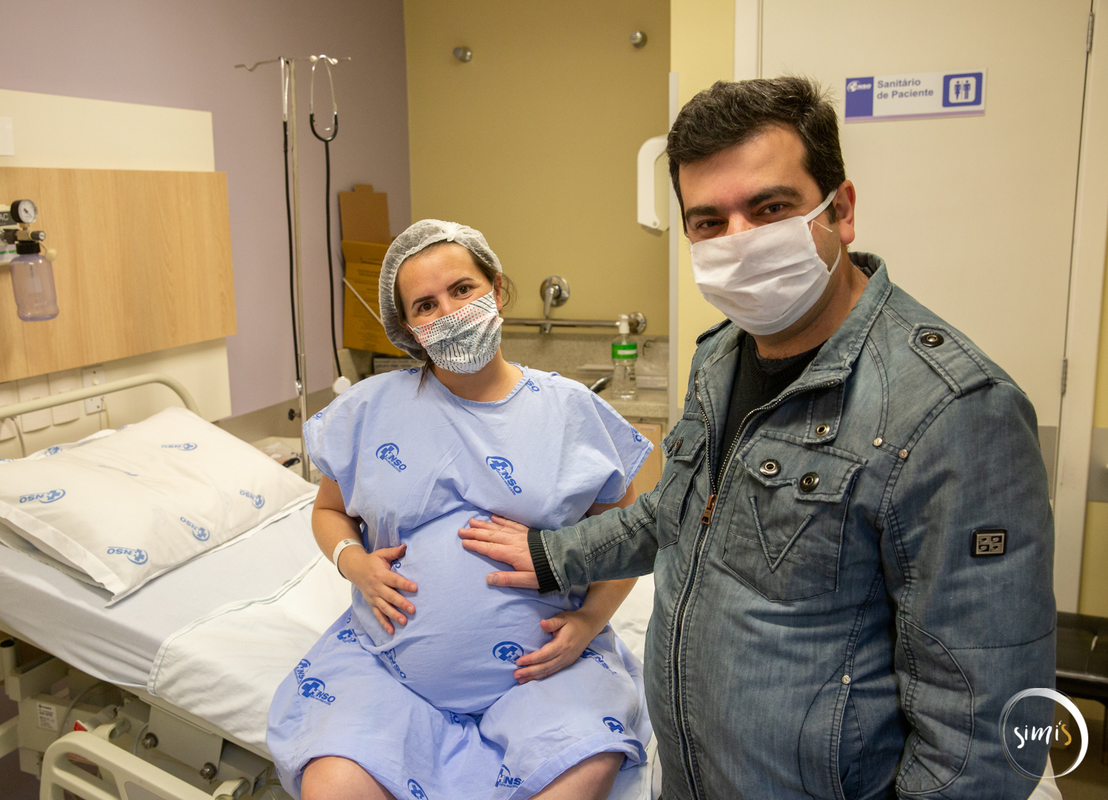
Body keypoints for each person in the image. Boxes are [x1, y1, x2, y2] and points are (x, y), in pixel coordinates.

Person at [459, 77, 1057, 800]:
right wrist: (550, 555)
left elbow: (986, 730)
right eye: (709, 221)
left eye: (770, 208)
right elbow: (677, 515)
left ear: (843, 211)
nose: (739, 242)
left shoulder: (953, 411)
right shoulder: (720, 357)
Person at [266, 220, 655, 800]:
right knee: (333, 785)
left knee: (584, 770)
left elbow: (630, 536)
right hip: (388, 668)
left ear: (496, 290)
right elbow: (329, 512)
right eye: (425, 305)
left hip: (545, 671)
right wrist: (354, 562)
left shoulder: (570, 411)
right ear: (408, 330)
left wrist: (589, 622)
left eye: (462, 290)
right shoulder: (369, 410)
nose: (447, 312)